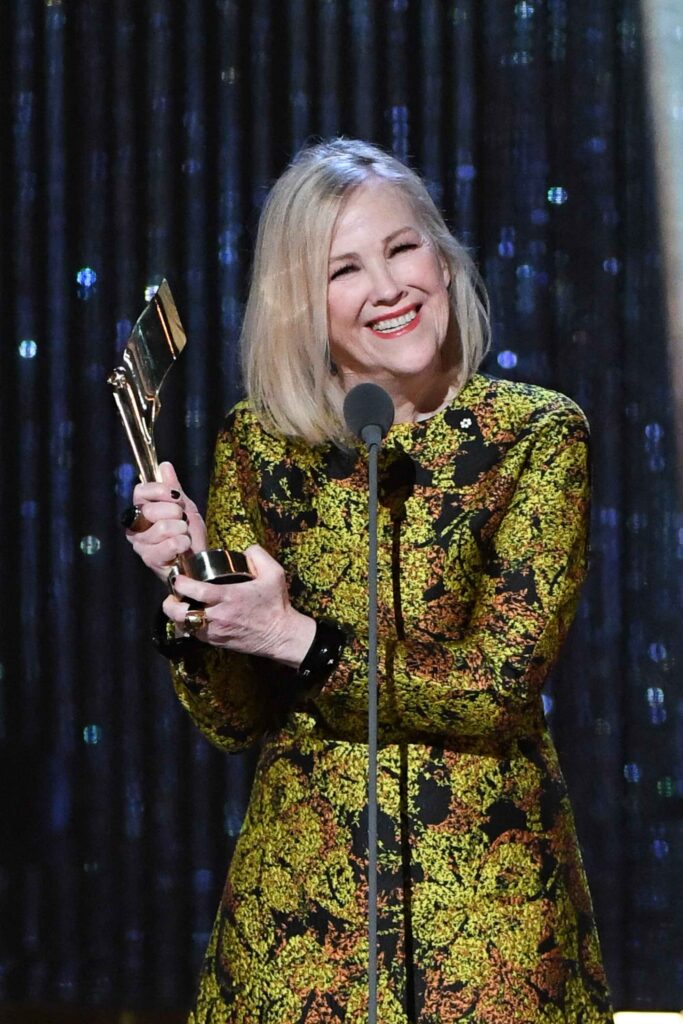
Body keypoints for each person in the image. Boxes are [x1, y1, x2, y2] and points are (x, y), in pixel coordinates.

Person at [125, 139, 613, 1023]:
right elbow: (234, 719)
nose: (388, 287)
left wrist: (293, 637)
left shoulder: (535, 434)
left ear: (441, 255)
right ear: (300, 305)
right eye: (343, 269)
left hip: (489, 921)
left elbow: (496, 688)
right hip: (302, 924)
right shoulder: (261, 445)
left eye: (401, 248)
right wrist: (196, 587)